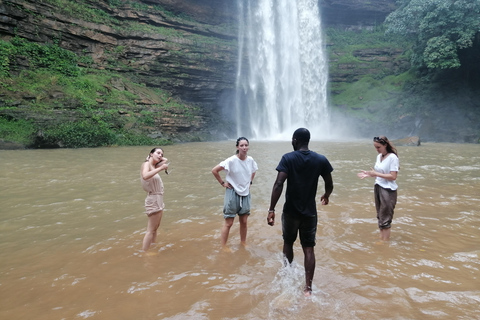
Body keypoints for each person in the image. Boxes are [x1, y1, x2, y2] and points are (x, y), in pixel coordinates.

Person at [267, 128, 334, 297]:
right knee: (309, 249)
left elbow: (278, 184)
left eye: (292, 139)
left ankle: (288, 276)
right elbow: (329, 183)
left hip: (290, 211)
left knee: (288, 243)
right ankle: (308, 289)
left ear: (295, 140)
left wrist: (271, 209)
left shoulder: (288, 158)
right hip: (310, 212)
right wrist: (326, 195)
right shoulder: (320, 159)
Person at [212, 137, 258, 250]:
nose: (244, 147)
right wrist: (223, 183)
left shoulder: (250, 160)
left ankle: (243, 242)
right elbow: (214, 170)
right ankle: (224, 246)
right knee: (229, 222)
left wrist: (250, 182)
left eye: (246, 145)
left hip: (246, 193)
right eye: (241, 145)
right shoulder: (231, 160)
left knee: (244, 221)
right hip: (232, 192)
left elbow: (254, 170)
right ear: (237, 147)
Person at [357, 136, 399, 241]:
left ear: (385, 145)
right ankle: (382, 239)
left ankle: (385, 242)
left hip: (388, 190)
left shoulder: (392, 158)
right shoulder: (379, 156)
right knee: (380, 216)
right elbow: (379, 174)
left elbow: (393, 176)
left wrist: (376, 173)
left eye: (378, 147)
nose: (377, 149)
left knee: (385, 218)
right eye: (375, 147)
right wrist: (370, 174)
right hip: (378, 187)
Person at [140, 147, 169, 252]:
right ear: (151, 153)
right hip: (153, 199)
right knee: (150, 230)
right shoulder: (147, 164)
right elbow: (145, 176)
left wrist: (157, 159)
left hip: (158, 199)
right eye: (158, 153)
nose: (160, 155)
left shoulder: (153, 165)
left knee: (155, 228)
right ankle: (145, 252)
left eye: (162, 153)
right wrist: (160, 168)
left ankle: (152, 247)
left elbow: (165, 160)